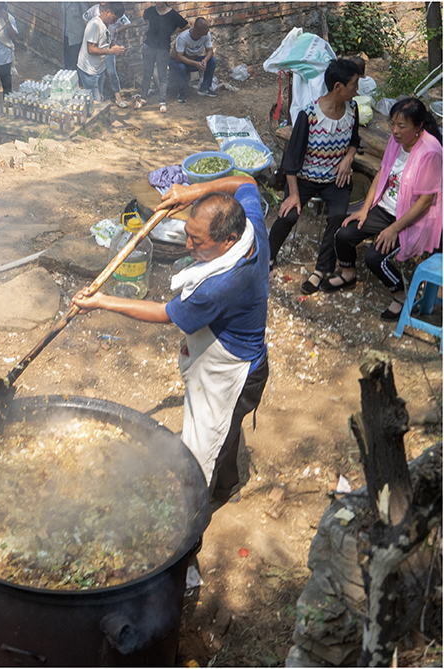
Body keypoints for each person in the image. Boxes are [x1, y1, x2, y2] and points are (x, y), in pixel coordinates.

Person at [72, 175, 269, 505]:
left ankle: (193, 515)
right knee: (227, 433)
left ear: (228, 240)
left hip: (232, 374)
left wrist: (102, 302)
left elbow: (165, 313)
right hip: (240, 357)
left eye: (198, 241)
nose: (189, 246)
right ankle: (227, 486)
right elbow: (246, 181)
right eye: (188, 234)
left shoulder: (222, 285)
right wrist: (192, 191)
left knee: (201, 453)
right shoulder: (251, 224)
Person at [327, 98, 442, 320]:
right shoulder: (396, 141)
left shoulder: (431, 152)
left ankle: (401, 295)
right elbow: (383, 171)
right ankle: (348, 274)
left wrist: (395, 229)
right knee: (343, 234)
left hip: (411, 218)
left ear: (418, 127)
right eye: (392, 123)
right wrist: (365, 208)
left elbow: (425, 201)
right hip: (385, 208)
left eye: (401, 126)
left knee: (374, 258)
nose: (395, 130)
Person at [268, 59, 361, 294]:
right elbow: (292, 158)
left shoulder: (353, 110)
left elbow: (355, 140)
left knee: (338, 216)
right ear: (338, 87)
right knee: (289, 214)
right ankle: (268, 257)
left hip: (336, 181)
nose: (356, 90)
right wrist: (294, 194)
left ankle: (321, 270)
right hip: (305, 179)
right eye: (354, 85)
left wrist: (349, 157)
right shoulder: (309, 115)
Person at [135, 2, 188, 113]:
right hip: (149, 47)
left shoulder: (173, 14)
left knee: (162, 76)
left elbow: (186, 26)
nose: (157, 2)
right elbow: (148, 23)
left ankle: (162, 102)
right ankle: (143, 98)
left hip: (163, 49)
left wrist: (171, 32)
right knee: (147, 74)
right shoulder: (149, 11)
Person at [76, 2, 125, 105]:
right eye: (114, 18)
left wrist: (116, 47)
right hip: (89, 71)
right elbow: (91, 49)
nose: (115, 21)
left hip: (99, 69)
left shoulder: (109, 25)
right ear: (108, 12)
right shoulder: (94, 25)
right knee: (96, 103)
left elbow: (110, 40)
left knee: (98, 97)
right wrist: (111, 51)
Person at [170, 17, 216, 102]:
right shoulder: (183, 37)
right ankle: (181, 93)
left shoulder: (206, 35)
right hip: (176, 62)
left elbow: (210, 51)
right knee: (181, 67)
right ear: (199, 30)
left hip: (192, 61)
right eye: (206, 29)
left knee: (212, 60)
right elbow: (179, 57)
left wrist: (205, 60)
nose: (208, 30)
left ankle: (204, 89)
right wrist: (196, 64)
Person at [63, 1, 91, 70]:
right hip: (66, 35)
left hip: (76, 37)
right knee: (67, 61)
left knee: (74, 62)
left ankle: (74, 79)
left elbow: (87, 18)